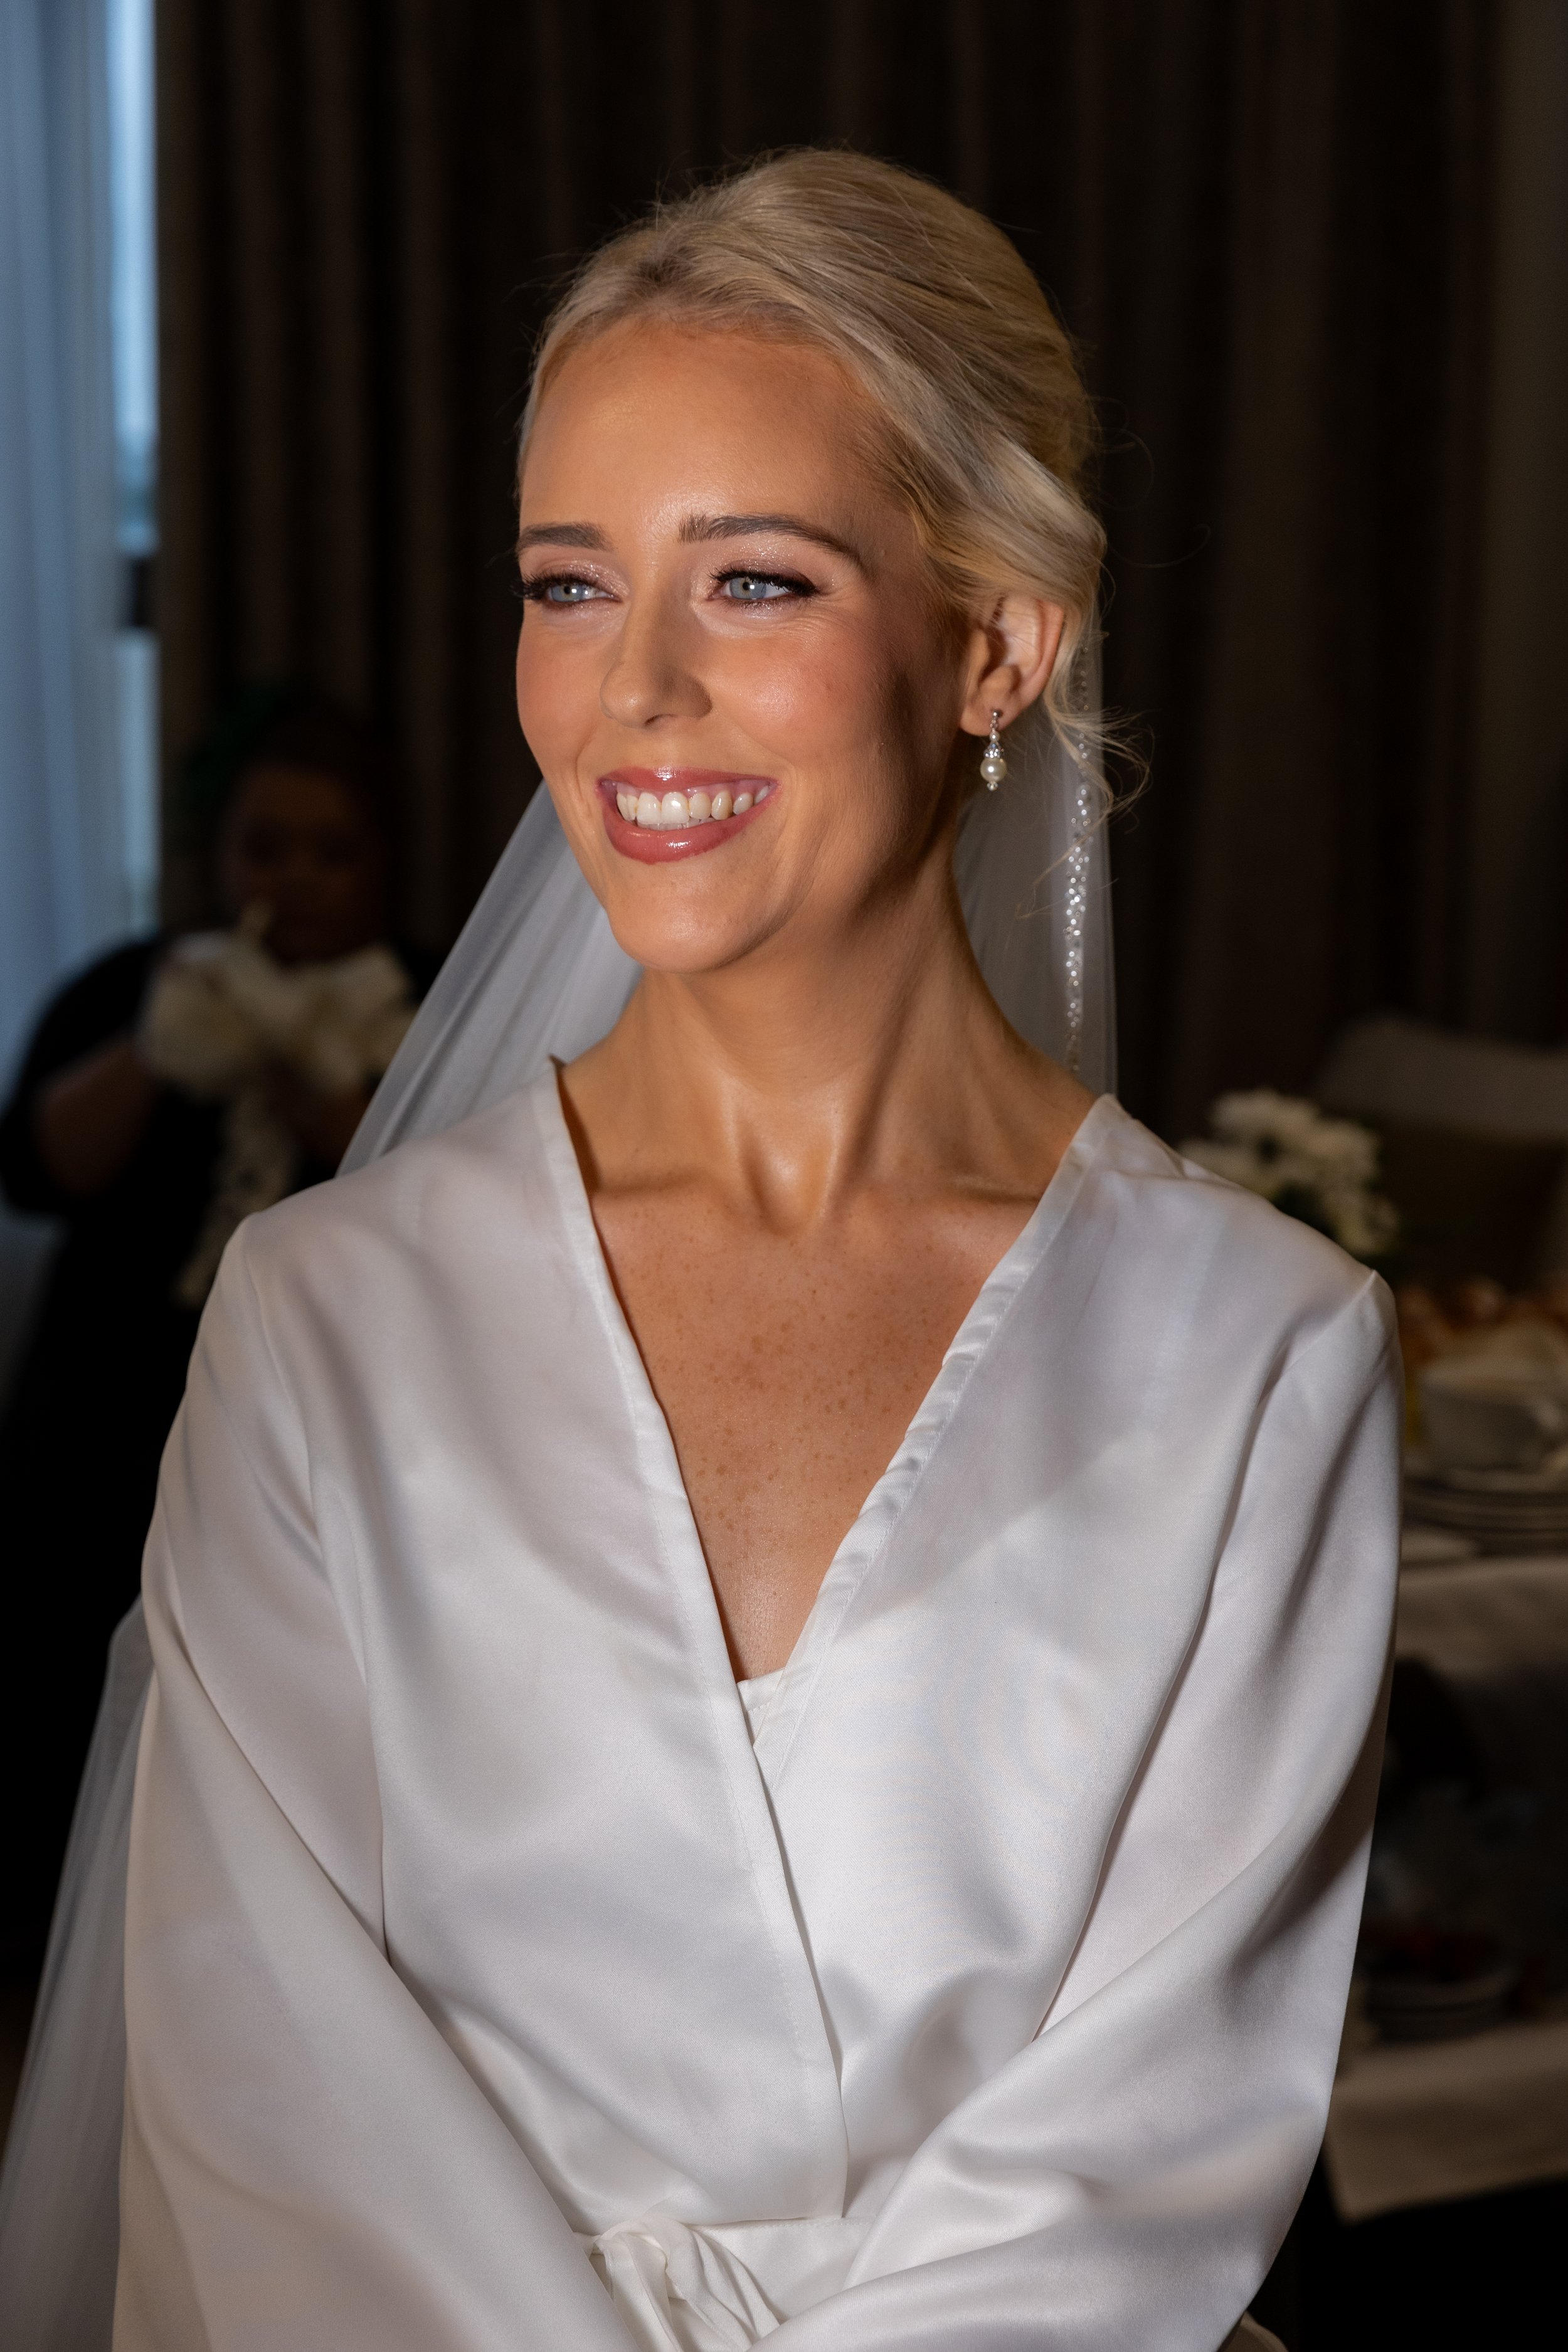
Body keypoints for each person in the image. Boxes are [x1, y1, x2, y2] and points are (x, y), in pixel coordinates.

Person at [1, 154, 1397, 2352]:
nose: (632, 688)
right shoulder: (328, 1323)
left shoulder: (1260, 1353)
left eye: (752, 580)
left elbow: (1140, 2157)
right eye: (568, 584)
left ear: (998, 641)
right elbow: (269, 2117)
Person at [0, 694, 432, 1974]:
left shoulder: (431, 997)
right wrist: (159, 1043)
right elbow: (36, 1168)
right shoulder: (136, 979)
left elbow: (460, 1227)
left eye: (330, 851)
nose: (291, 880)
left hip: (329, 1432)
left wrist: (331, 1107)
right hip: (107, 1411)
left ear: (383, 861)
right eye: (263, 847)